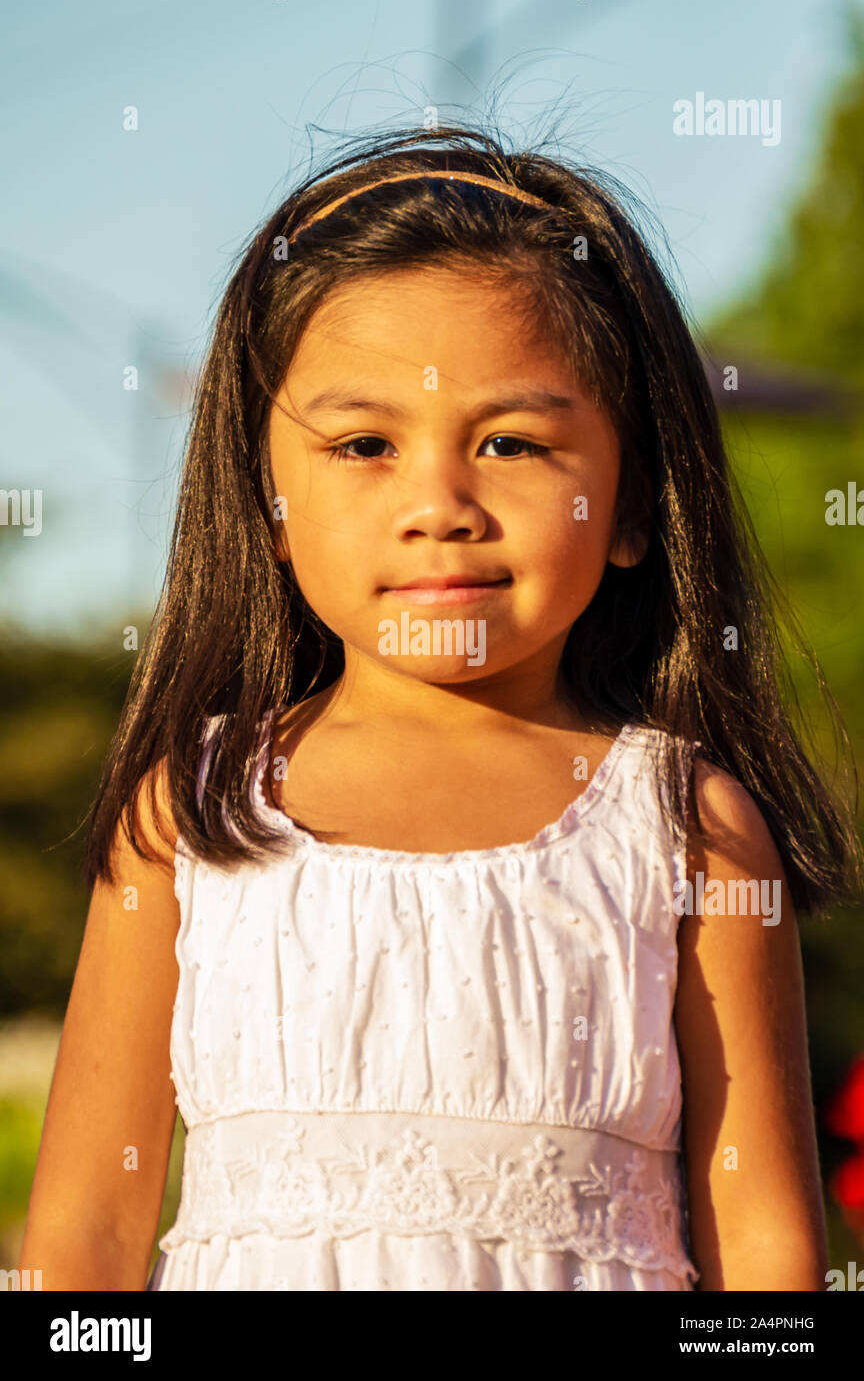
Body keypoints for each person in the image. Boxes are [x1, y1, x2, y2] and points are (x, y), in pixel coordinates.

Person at [18, 124, 864, 1291]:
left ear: (631, 507)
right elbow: (84, 1239)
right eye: (364, 443)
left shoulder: (690, 830)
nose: (439, 504)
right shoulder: (192, 817)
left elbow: (762, 1239)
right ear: (263, 502)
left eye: (513, 441)